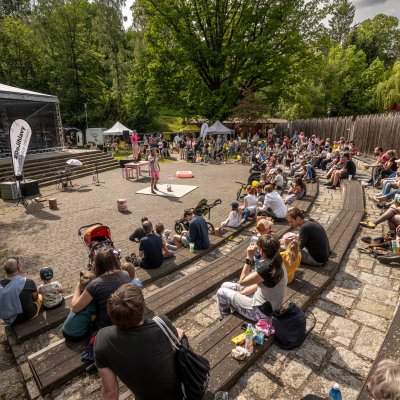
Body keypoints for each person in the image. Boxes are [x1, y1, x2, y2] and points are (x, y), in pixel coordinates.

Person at [94, 284, 187, 400]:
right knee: (181, 337)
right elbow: (172, 342)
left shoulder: (103, 339)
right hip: (180, 394)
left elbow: (111, 392)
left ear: (111, 312)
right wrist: (177, 336)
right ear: (142, 308)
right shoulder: (162, 324)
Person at [216, 235, 287, 321]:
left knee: (221, 292)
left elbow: (242, 281)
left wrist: (249, 258)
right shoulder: (277, 261)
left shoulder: (267, 268)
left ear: (261, 251)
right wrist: (243, 293)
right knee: (225, 285)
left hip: (261, 312)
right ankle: (235, 305)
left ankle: (225, 318)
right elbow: (261, 284)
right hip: (269, 302)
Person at [70, 247, 130, 332]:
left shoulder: (94, 285)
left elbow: (75, 308)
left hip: (106, 327)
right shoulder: (126, 274)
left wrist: (79, 286)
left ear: (97, 265)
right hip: (126, 319)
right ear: (114, 260)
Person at [0, 257, 42, 325]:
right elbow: (35, 299)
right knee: (40, 296)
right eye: (21, 264)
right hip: (30, 314)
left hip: (11, 321)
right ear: (19, 267)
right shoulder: (28, 282)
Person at [62, 271, 97, 341]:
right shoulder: (93, 304)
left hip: (64, 331)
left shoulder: (78, 298)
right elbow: (93, 319)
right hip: (77, 335)